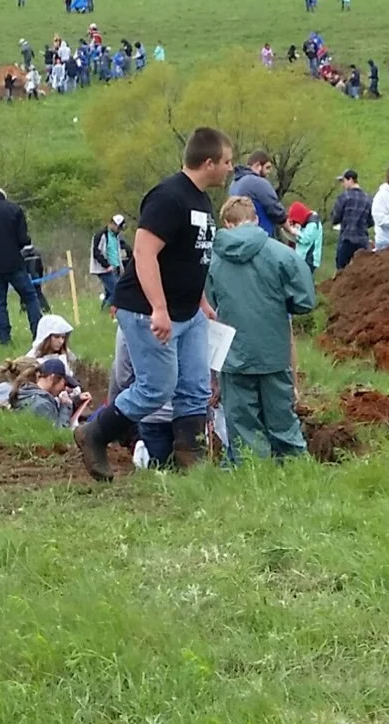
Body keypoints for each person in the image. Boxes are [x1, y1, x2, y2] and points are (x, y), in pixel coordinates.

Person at [76, 128, 234, 477]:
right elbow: (145, 253)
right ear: (208, 163)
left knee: (195, 386)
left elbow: (191, 258)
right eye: (226, 162)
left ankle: (190, 460)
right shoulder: (168, 197)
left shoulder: (201, 200)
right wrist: (159, 308)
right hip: (148, 310)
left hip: (188, 312)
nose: (229, 169)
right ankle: (94, 433)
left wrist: (201, 301)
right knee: (156, 386)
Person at [208, 196, 318, 461]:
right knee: (283, 422)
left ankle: (252, 475)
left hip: (233, 356)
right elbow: (305, 301)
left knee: (244, 428)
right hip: (274, 353)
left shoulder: (212, 260)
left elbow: (208, 309)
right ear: (256, 219)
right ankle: (295, 470)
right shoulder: (282, 254)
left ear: (227, 223)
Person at [0, 188, 45, 346]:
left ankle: (5, 339)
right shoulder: (14, 209)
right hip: (14, 263)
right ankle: (37, 334)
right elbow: (24, 239)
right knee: (30, 297)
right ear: (4, 196)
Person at [229, 152, 289, 236]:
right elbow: (274, 208)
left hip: (239, 235)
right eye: (267, 168)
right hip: (260, 236)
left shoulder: (233, 184)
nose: (268, 172)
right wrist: (289, 229)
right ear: (258, 165)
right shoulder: (258, 182)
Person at [329, 170, 373, 269]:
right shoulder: (368, 199)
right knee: (361, 270)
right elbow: (371, 221)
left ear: (350, 180)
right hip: (362, 240)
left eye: (344, 181)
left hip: (346, 238)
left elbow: (335, 217)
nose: (343, 185)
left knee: (342, 270)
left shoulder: (344, 197)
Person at [89, 215, 129, 306]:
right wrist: (106, 265)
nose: (119, 230)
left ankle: (103, 313)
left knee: (109, 293)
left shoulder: (116, 237)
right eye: (118, 227)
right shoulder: (101, 235)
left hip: (114, 268)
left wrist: (121, 268)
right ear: (112, 224)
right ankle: (108, 310)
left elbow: (116, 253)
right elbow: (96, 252)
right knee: (116, 292)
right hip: (104, 269)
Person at [286, 202, 324, 274]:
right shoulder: (305, 221)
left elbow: (305, 238)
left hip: (310, 259)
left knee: (304, 279)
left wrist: (294, 232)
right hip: (302, 257)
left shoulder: (313, 224)